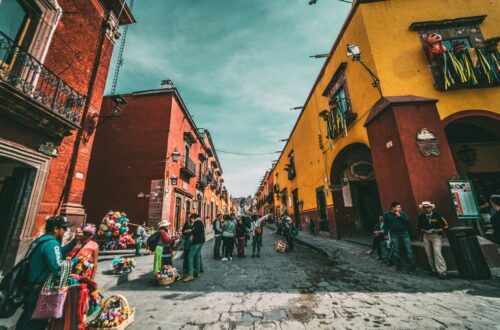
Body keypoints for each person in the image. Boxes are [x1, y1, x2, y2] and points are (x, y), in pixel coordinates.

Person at [16, 216, 82, 330]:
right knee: (36, 323)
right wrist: (75, 261)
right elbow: (57, 268)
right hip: (39, 289)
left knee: (27, 317)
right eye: (63, 228)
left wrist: (74, 242)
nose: (65, 231)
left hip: (30, 284)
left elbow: (58, 252)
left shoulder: (42, 240)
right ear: (56, 229)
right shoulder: (52, 244)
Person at [417, 201, 448, 279]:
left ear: (431, 208)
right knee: (429, 253)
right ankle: (434, 270)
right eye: (425, 208)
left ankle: (442, 272)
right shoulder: (421, 217)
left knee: (437, 252)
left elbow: (446, 225)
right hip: (426, 236)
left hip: (436, 236)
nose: (427, 209)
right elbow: (418, 227)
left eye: (428, 207)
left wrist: (438, 230)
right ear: (423, 209)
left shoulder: (437, 215)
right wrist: (423, 231)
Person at [383, 201, 416, 273]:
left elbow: (408, 220)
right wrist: (385, 234)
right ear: (393, 207)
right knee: (396, 251)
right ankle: (398, 266)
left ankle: (412, 268)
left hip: (404, 234)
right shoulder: (386, 214)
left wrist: (400, 216)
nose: (400, 208)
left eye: (400, 207)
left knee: (409, 250)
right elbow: (386, 225)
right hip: (394, 234)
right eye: (398, 207)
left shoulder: (402, 213)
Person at [183, 214, 205, 282]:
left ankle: (190, 274)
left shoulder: (197, 222)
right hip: (201, 241)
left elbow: (194, 231)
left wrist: (189, 231)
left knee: (190, 256)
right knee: (197, 256)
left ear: (193, 218)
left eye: (191, 219)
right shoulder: (201, 222)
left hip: (197, 241)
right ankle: (197, 272)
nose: (191, 221)